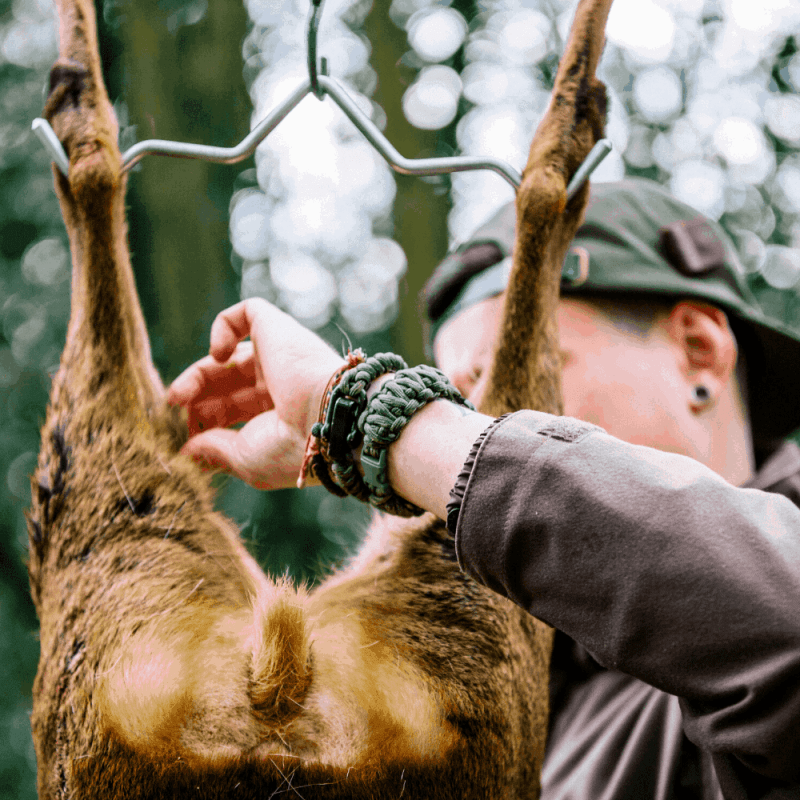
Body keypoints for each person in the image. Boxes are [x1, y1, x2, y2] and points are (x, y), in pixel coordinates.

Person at [167, 178, 800, 800]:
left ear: (699, 352)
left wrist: (365, 419)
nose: (488, 424)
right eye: (463, 405)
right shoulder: (538, 696)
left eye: (531, 372)